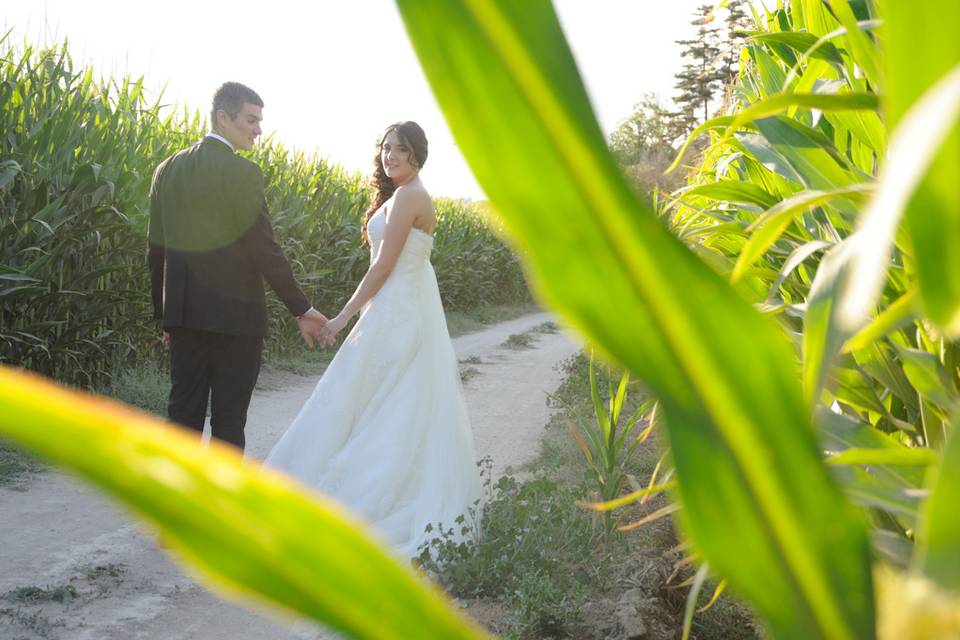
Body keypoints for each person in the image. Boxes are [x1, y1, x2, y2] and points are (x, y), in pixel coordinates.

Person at [266, 121, 481, 559]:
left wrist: (343, 317)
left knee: (386, 404)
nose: (391, 157)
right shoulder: (400, 195)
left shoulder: (411, 196)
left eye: (400, 150)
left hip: (400, 312)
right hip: (392, 309)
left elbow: (383, 267)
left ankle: (364, 498)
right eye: (386, 149)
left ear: (417, 154)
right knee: (371, 400)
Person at [148, 81, 328, 452]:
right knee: (229, 421)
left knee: (182, 416)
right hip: (237, 322)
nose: (258, 129)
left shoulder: (167, 170)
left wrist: (165, 316)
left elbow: (156, 252)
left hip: (184, 320)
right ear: (223, 118)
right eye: (251, 119)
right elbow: (265, 250)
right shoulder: (243, 173)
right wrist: (302, 309)